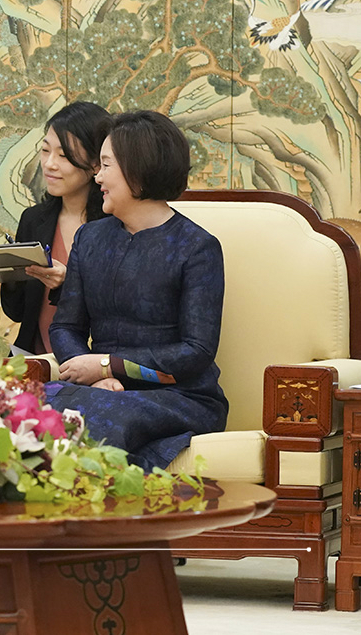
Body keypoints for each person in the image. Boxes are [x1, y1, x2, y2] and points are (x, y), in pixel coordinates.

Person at [45, 110, 226, 471]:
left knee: (99, 419)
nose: (97, 177)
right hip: (101, 392)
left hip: (179, 395)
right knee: (17, 405)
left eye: (106, 165)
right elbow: (65, 327)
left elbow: (196, 352)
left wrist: (107, 366)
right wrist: (97, 378)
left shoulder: (197, 247)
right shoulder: (91, 237)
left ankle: (90, 521)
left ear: (137, 171)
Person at [0, 101, 111, 354]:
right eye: (45, 150)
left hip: (93, 368)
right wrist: (10, 277)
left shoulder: (112, 227)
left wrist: (67, 284)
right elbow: (17, 313)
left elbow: (116, 316)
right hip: (34, 361)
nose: (49, 164)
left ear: (96, 164)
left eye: (63, 156)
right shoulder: (33, 219)